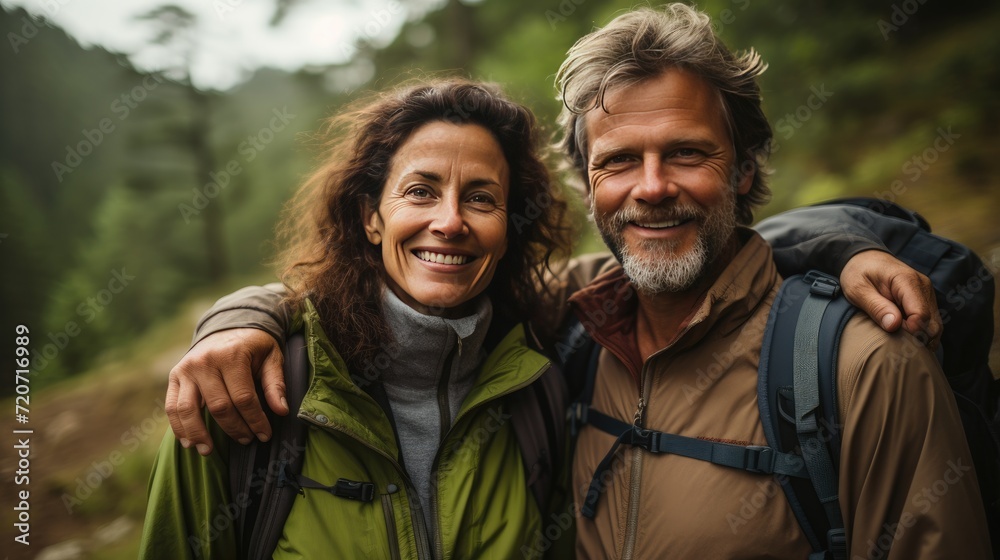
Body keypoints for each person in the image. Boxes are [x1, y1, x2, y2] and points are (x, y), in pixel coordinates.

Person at [160, 6, 987, 559]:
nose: (651, 187)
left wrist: (838, 246)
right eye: (619, 161)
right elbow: (376, 288)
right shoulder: (566, 333)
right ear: (589, 188)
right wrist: (241, 317)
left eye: (688, 153)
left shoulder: (857, 363)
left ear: (744, 172)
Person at [140, 78, 579, 558]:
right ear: (372, 217)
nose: (450, 221)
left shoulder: (538, 391)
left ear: (508, 229)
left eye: (480, 198)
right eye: (419, 191)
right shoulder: (238, 388)